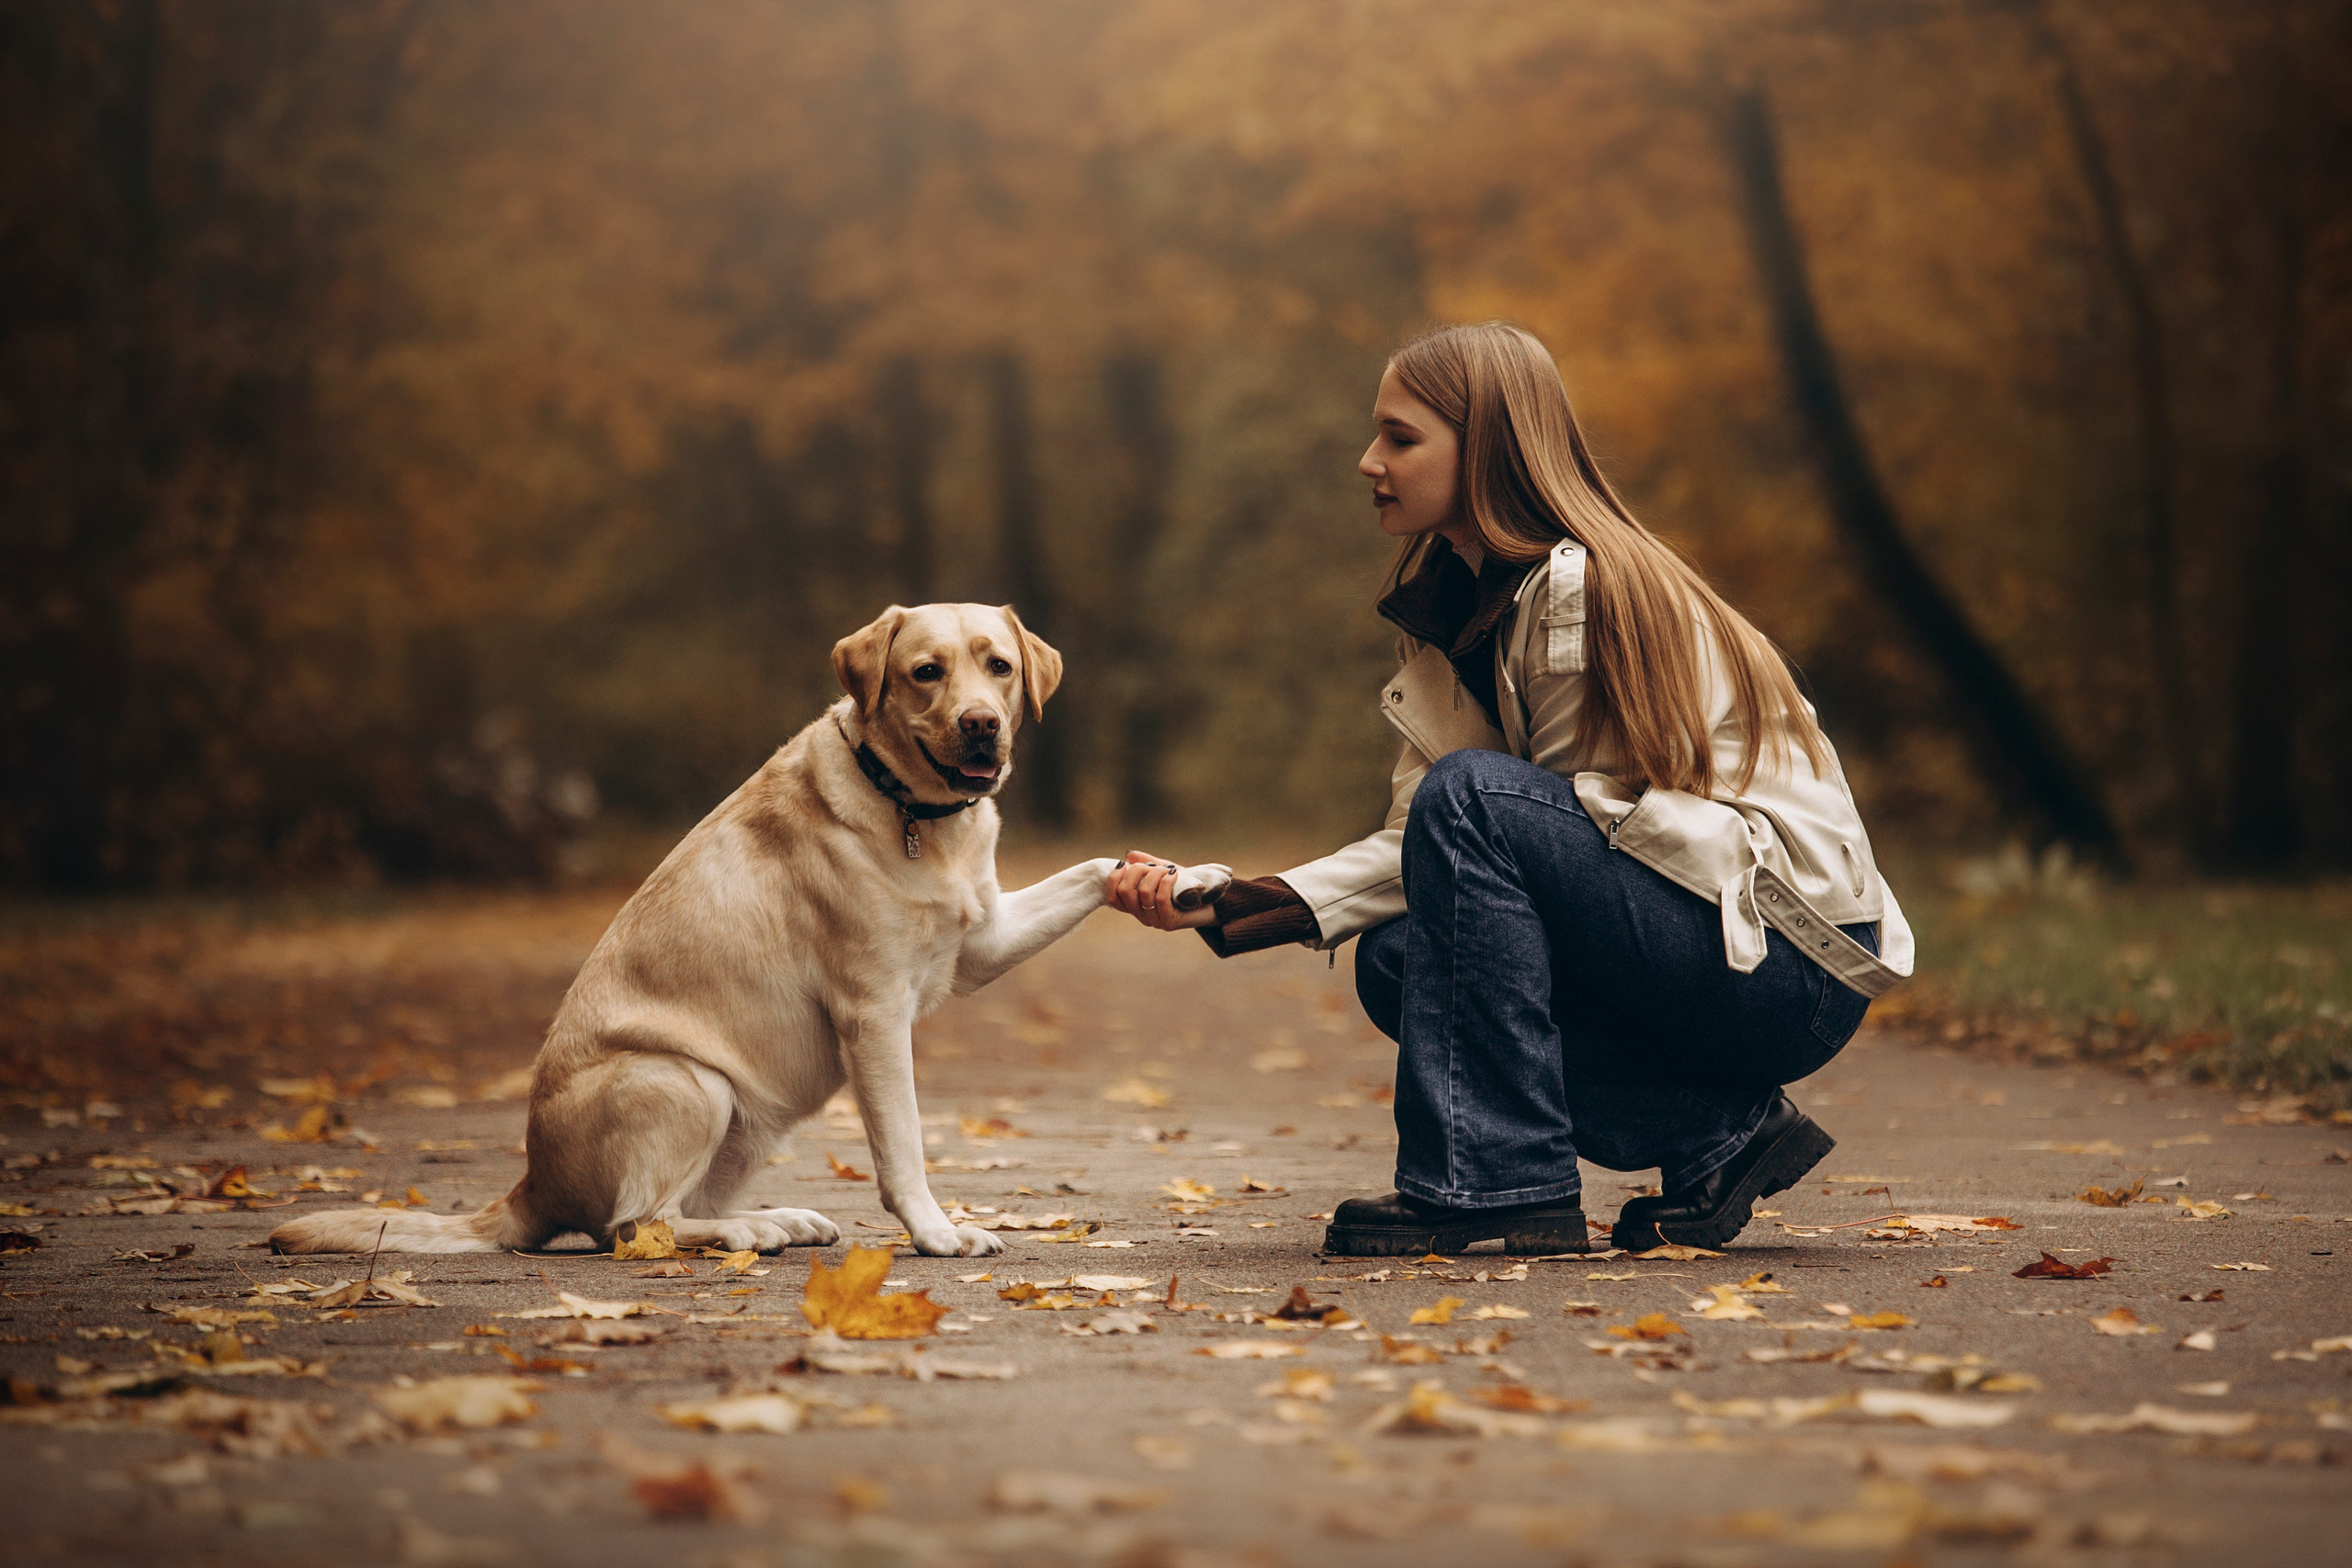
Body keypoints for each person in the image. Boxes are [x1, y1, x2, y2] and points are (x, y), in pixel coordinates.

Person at [1107, 322, 1912, 1258]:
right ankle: (1718, 1137)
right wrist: (1236, 904)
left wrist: (1445, 829)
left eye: (1400, 438)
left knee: (1472, 806)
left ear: (1485, 445)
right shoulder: (1467, 606)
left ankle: (1497, 1184)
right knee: (1401, 960)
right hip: (1698, 933)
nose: (1369, 461)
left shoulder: (1582, 589)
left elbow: (1529, 823)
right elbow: (1437, 842)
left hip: (1790, 960)